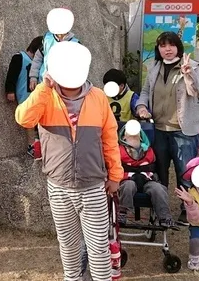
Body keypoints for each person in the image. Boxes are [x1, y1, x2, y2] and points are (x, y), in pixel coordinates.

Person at [15, 41, 122, 281]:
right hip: (59, 186)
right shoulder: (45, 96)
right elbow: (23, 118)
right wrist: (43, 88)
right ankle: (72, 278)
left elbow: (110, 140)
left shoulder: (99, 98)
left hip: (93, 185)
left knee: (97, 246)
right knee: (68, 244)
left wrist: (115, 175)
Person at [135, 31, 199, 225]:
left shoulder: (192, 66)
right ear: (158, 49)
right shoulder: (154, 68)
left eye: (171, 45)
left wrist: (188, 74)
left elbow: (198, 92)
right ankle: (162, 208)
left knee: (186, 172)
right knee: (160, 171)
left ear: (178, 47)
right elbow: (145, 92)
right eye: (163, 45)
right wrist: (141, 106)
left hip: (183, 130)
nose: (167, 49)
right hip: (158, 129)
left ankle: (187, 208)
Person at [117, 120, 179, 230]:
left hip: (147, 179)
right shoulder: (119, 151)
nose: (133, 138)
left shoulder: (148, 150)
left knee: (158, 189)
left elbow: (153, 165)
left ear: (141, 137)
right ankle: (123, 212)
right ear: (124, 137)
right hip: (127, 179)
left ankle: (164, 217)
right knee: (127, 187)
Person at [4, 36, 44, 158]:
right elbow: (12, 74)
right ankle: (31, 145)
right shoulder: (19, 57)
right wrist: (10, 90)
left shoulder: (39, 64)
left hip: (37, 97)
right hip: (24, 95)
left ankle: (40, 144)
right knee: (29, 122)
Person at [28, 11, 80, 91]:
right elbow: (38, 58)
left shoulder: (75, 43)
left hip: (62, 88)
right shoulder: (47, 39)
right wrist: (33, 77)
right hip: (43, 83)